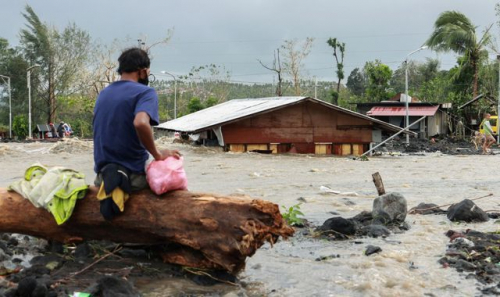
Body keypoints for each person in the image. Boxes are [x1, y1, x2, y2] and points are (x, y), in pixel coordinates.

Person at [93, 47, 180, 191]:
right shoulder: (146, 92)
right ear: (142, 71)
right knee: (173, 182)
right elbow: (140, 123)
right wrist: (158, 154)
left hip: (103, 178)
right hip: (132, 177)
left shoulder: (104, 93)